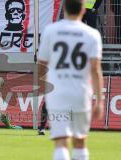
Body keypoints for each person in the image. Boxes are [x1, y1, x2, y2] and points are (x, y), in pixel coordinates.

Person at [38, 0, 104, 160]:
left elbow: (41, 65)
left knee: (61, 141)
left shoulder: (51, 31)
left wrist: (44, 85)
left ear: (64, 8)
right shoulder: (92, 34)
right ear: (83, 10)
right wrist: (100, 101)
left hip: (58, 92)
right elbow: (95, 70)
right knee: (80, 141)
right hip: (80, 92)